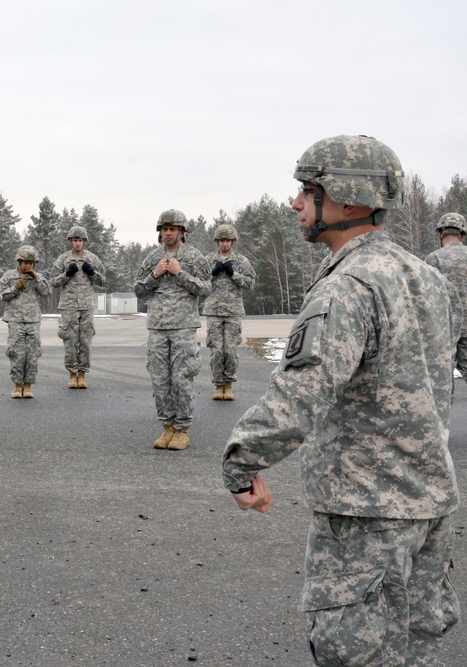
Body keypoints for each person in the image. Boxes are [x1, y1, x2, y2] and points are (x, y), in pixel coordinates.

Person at [222, 135, 460, 665]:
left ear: (349, 200)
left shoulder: (346, 287)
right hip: (428, 506)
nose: (296, 203)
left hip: (366, 518)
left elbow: (300, 395)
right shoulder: (429, 279)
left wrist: (240, 465)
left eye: (309, 190)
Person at [133, 210, 210, 450]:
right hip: (157, 326)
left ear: (181, 232)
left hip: (183, 326)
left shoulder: (195, 257)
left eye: (172, 229)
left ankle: (182, 429)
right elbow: (138, 289)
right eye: (164, 229)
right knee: (160, 379)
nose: (168, 233)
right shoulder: (152, 258)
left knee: (181, 378)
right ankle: (167, 427)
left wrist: (180, 273)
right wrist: (155, 274)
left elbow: (206, 289)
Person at [202, 224, 255, 401]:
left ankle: (229, 384)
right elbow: (197, 282)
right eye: (222, 240)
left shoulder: (241, 261)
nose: (225, 244)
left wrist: (234, 274)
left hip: (233, 311)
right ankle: (218, 385)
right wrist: (213, 273)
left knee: (230, 351)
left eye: (228, 240)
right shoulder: (208, 260)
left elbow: (250, 283)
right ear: (217, 241)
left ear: (233, 241)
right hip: (214, 311)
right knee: (217, 351)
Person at [49, 226, 106, 389]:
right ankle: (72, 375)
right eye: (75, 240)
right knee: (70, 341)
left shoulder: (92, 259)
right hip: (69, 306)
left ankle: (82, 374)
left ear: (85, 242)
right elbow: (53, 282)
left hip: (87, 305)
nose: (78, 244)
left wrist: (92, 273)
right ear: (70, 241)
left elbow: (103, 281)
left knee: (85, 341)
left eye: (80, 240)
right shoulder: (62, 260)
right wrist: (66, 275)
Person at [0, 245, 51, 398]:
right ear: (19, 261)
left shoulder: (36, 277)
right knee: (16, 353)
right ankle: (17, 386)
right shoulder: (9, 276)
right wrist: (15, 288)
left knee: (32, 354)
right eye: (25, 262)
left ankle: (28, 386)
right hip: (15, 320)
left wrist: (37, 279)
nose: (27, 265)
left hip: (33, 320)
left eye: (31, 263)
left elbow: (46, 292)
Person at [425, 212, 467, 383]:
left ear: (440, 233)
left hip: (444, 329)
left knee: (442, 381)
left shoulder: (433, 259)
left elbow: (426, 298)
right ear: (462, 234)